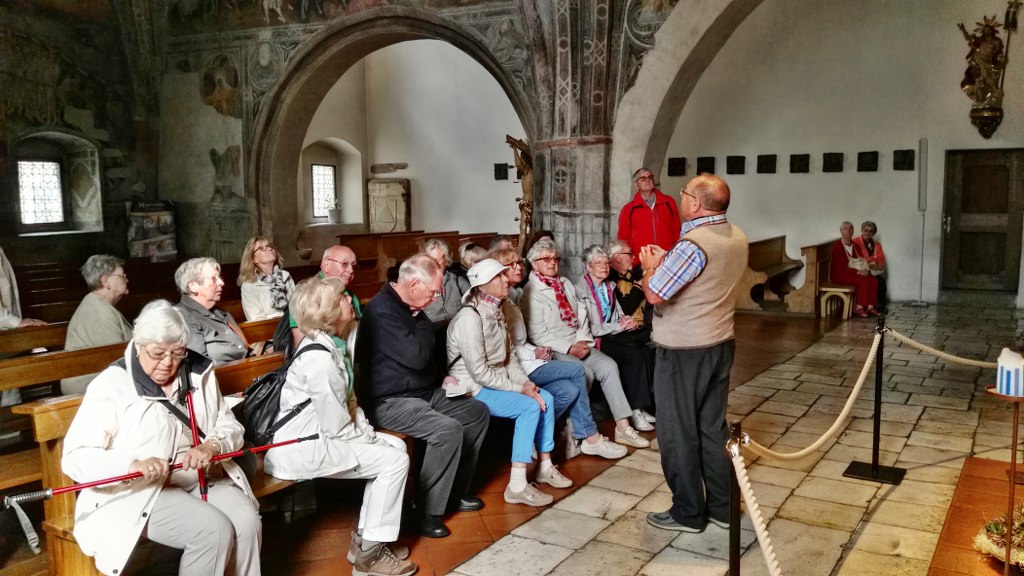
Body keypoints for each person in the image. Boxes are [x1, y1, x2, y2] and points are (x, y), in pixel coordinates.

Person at [62, 300, 261, 575]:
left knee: (247, 522)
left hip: (199, 477)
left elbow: (227, 423)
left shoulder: (198, 372)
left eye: (177, 353)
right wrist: (130, 465)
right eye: (157, 353)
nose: (168, 363)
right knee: (212, 530)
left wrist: (212, 445)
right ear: (139, 345)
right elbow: (76, 456)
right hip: (143, 491)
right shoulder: (112, 385)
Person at [264, 277, 416, 576]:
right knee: (395, 461)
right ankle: (370, 556)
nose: (350, 300)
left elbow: (349, 405)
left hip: (321, 436)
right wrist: (370, 440)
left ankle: (365, 543)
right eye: (342, 298)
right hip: (300, 447)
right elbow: (337, 426)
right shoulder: (319, 359)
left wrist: (369, 434)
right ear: (329, 312)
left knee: (397, 446)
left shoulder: (330, 347)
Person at [639, 173, 748, 533]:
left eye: (685, 192)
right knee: (711, 427)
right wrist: (669, 260)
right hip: (720, 342)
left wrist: (651, 267)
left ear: (696, 203)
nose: (680, 196)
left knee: (676, 431)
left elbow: (655, 294)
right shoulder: (736, 235)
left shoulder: (694, 245)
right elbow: (706, 277)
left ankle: (687, 512)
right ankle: (722, 508)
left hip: (684, 350)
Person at [356, 254, 490, 539]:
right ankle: (426, 510)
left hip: (422, 391)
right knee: (447, 430)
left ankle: (454, 491)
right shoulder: (382, 310)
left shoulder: (412, 307)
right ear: (414, 284)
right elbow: (417, 356)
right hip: (390, 400)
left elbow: (424, 352)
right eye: (433, 292)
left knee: (475, 412)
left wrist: (440, 375)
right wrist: (424, 324)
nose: (435, 298)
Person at [447, 259, 573, 506]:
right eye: (499, 276)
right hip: (472, 388)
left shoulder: (497, 311)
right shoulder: (469, 318)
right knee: (529, 406)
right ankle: (516, 485)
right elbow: (479, 373)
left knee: (545, 398)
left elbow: (509, 357)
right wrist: (519, 389)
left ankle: (544, 466)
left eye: (505, 275)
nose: (507, 279)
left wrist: (526, 384)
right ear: (482, 286)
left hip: (496, 381)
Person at [495, 250, 627, 461]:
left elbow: (581, 315)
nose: (518, 267)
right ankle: (589, 436)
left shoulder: (513, 296)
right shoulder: (516, 296)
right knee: (579, 371)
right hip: (525, 361)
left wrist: (581, 340)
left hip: (538, 353)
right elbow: (511, 344)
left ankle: (544, 432)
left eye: (518, 263)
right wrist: (540, 351)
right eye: (511, 265)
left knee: (571, 387)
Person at [520, 238, 650, 449]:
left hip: (578, 341)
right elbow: (538, 335)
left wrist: (581, 339)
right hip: (555, 348)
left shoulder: (564, 283)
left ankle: (623, 427)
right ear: (534, 264)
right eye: (546, 259)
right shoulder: (531, 292)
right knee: (585, 372)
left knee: (609, 366)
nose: (552, 263)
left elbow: (581, 316)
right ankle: (581, 430)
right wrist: (569, 348)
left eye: (555, 258)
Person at [576, 245, 656, 432]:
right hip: (596, 340)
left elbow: (618, 314)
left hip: (612, 334)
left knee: (645, 350)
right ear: (588, 267)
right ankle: (633, 410)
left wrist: (626, 321)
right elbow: (590, 328)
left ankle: (640, 406)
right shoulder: (580, 290)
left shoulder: (608, 286)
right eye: (598, 263)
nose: (604, 267)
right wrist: (618, 326)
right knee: (632, 355)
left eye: (606, 263)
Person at [62, 255, 134, 394]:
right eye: (122, 276)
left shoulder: (99, 304)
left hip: (101, 378)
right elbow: (116, 356)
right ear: (106, 281)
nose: (127, 279)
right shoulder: (98, 310)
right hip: (88, 385)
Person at [174, 257, 250, 364]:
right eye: (214, 279)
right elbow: (200, 366)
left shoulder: (221, 313)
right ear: (193, 286)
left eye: (219, 278)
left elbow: (242, 350)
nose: (221, 283)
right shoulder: (183, 317)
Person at [617, 167, 681, 266]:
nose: (647, 180)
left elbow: (677, 230)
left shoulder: (668, 202)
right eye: (642, 178)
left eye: (650, 177)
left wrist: (676, 255)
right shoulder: (628, 209)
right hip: (641, 262)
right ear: (636, 185)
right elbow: (623, 239)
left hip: (667, 259)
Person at [238, 236, 295, 321]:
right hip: (270, 328)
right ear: (254, 259)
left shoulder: (285, 276)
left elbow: (297, 307)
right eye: (262, 248)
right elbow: (256, 319)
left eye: (270, 246)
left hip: (293, 325)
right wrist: (283, 318)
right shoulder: (249, 284)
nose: (269, 249)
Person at [830, 221, 880, 318]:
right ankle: (859, 308)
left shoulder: (856, 245)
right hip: (840, 275)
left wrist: (865, 270)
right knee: (863, 280)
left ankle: (870, 307)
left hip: (854, 273)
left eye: (850, 229)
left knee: (873, 280)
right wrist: (859, 272)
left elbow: (861, 261)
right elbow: (839, 268)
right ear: (841, 231)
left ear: (853, 231)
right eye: (845, 229)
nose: (848, 231)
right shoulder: (838, 245)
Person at [607, 239, 650, 327]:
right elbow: (623, 310)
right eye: (630, 253)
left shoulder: (630, 275)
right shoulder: (609, 280)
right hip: (625, 331)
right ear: (618, 258)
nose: (633, 257)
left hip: (643, 328)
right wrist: (639, 284)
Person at [422, 238, 466, 322]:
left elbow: (474, 307)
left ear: (446, 260)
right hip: (431, 328)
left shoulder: (459, 282)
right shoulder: (418, 284)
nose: (433, 264)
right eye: (430, 260)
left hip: (456, 326)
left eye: (437, 260)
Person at [853, 220, 887, 313]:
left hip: (872, 271)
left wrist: (877, 265)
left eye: (870, 231)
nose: (867, 233)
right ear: (862, 230)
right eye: (866, 230)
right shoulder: (855, 242)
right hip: (859, 271)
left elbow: (881, 259)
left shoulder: (877, 245)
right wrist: (870, 263)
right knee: (868, 281)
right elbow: (856, 260)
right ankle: (863, 306)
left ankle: (879, 306)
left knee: (881, 281)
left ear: (873, 233)